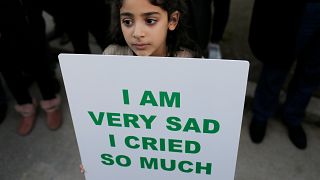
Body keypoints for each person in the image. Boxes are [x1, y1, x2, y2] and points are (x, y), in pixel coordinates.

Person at [248, 0, 320, 150]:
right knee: (277, 62)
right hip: (300, 7)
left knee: (312, 71)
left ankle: (293, 115)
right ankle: (261, 114)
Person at [0, 0, 62, 136]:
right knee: (8, 67)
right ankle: (25, 107)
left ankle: (50, 103)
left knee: (39, 60)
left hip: (28, 18)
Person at [103, 0, 201, 58]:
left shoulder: (188, 61)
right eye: (127, 22)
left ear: (172, 20)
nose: (137, 33)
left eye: (150, 21)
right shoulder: (112, 56)